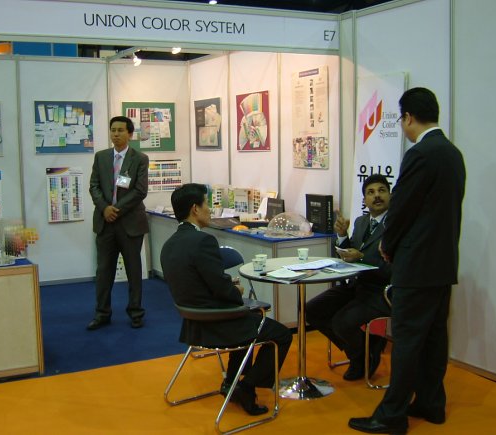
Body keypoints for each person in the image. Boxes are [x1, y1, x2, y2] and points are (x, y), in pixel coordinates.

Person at [349, 87, 466, 434]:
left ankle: (392, 415)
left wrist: (387, 244)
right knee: (434, 339)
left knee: (408, 340)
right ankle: (431, 403)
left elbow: (401, 209)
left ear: (409, 117)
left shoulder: (420, 154)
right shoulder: (453, 154)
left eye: (402, 120)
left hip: (415, 265)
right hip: (443, 264)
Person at [160, 183, 292, 416]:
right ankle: (246, 386)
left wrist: (227, 288)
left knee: (250, 318)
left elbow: (198, 282)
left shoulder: (168, 245)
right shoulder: (203, 241)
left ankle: (231, 382)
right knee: (280, 334)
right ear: (195, 209)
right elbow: (222, 289)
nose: (210, 209)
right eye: (206, 204)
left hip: (193, 323)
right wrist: (236, 290)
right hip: (217, 324)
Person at [305, 174, 392, 381]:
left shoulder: (397, 225)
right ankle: (365, 349)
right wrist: (343, 236)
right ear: (365, 200)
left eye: (381, 191)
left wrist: (361, 257)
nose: (376, 196)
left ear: (390, 195)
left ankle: (360, 358)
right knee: (311, 310)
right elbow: (349, 254)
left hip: (382, 291)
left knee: (341, 322)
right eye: (371, 192)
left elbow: (394, 267)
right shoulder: (361, 222)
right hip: (356, 285)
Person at [87, 116, 149, 330]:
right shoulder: (101, 157)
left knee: (134, 270)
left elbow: (140, 190)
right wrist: (105, 208)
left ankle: (136, 312)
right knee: (104, 271)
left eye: (121, 130)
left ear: (130, 134)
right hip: (105, 223)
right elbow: (94, 186)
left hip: (130, 223)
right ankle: (102, 313)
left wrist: (116, 210)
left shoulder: (139, 159)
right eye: (113, 130)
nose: (116, 134)